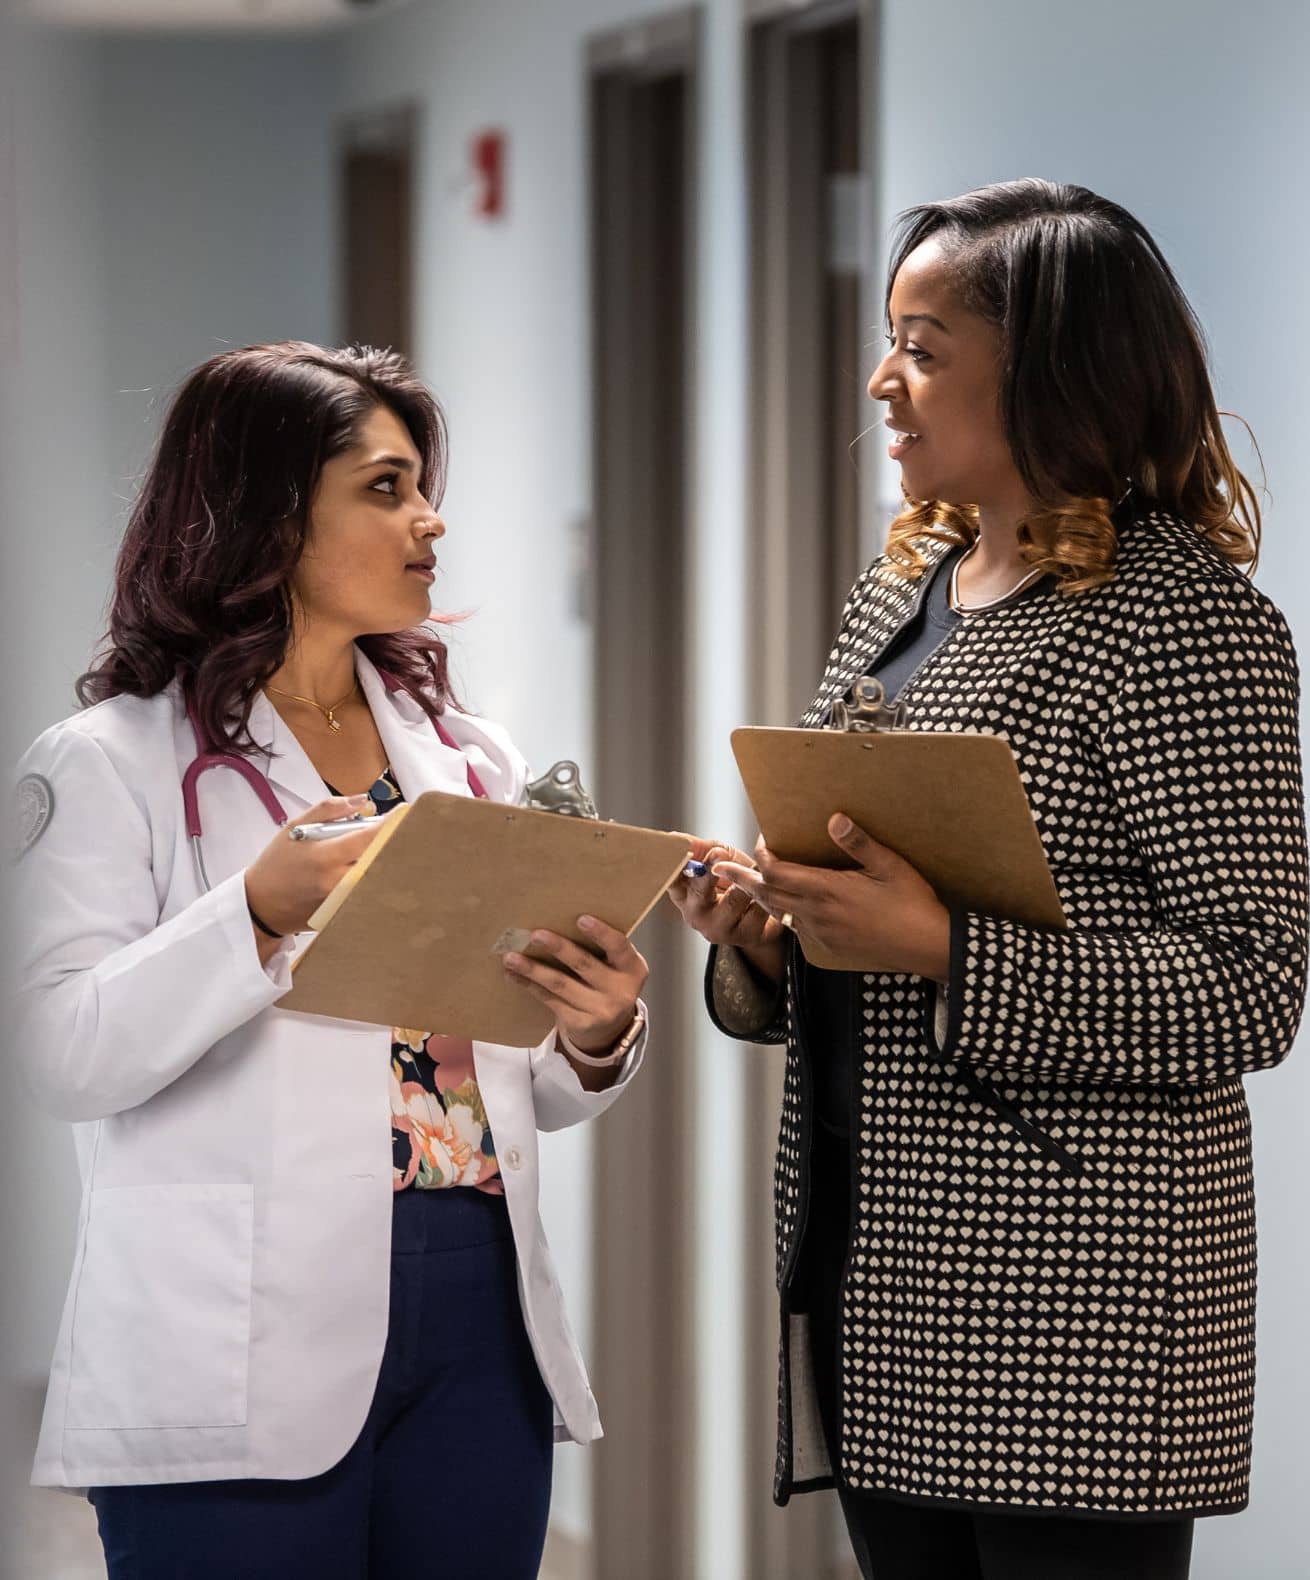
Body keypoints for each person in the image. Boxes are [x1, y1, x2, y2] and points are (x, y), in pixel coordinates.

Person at [670, 179, 1308, 1580]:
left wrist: (949, 947)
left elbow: (1253, 989)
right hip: (880, 1276)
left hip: (1074, 1315)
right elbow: (857, 913)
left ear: (1053, 373)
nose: (880, 381)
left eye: (922, 345)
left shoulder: (1184, 624)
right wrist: (766, 940)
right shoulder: (898, 595)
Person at [13, 342, 650, 1580]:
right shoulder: (107, 760)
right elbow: (53, 1050)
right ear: (264, 513)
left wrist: (593, 1028)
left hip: (476, 1302)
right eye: (386, 486)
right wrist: (249, 913)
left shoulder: (470, 760)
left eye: (423, 485)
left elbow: (510, 1078)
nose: (431, 518)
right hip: (233, 1322)